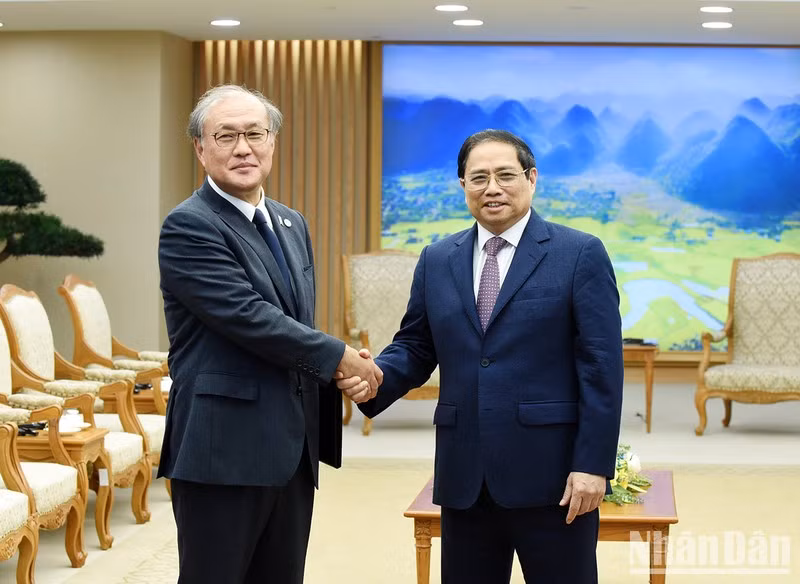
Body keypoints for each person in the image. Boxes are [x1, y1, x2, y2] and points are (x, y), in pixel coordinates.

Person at [337, 129, 623, 583]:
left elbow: (601, 368)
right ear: (463, 185)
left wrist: (592, 465)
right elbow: (416, 345)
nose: (492, 188)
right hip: (465, 475)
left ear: (531, 179)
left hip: (553, 478)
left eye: (505, 175)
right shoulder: (436, 259)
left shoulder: (579, 254)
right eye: (479, 178)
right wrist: (373, 377)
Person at [158, 84, 380, 584]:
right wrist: (339, 356)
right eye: (226, 136)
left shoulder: (290, 222)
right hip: (222, 450)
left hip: (291, 447)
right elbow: (249, 317)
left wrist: (338, 366)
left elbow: (294, 323)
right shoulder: (189, 225)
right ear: (200, 148)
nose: (243, 148)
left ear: (272, 141)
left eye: (255, 134)